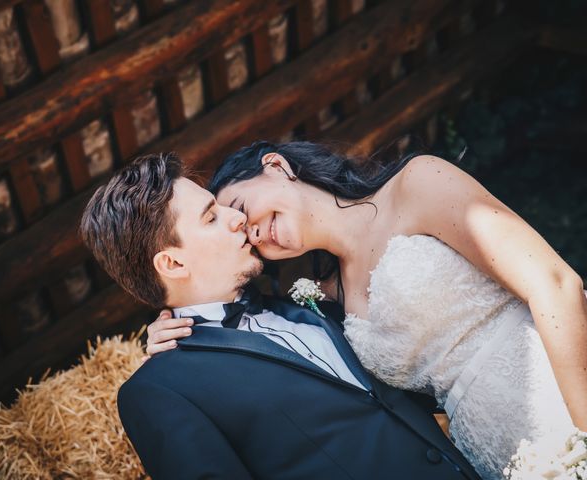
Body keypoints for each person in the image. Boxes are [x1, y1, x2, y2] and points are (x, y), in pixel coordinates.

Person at [147, 141, 587, 479]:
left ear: (277, 167)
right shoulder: (320, 303)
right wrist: (174, 333)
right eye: (246, 234)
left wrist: (582, 435)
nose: (256, 233)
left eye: (243, 211)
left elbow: (553, 284)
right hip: (498, 456)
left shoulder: (417, 183)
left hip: (561, 388)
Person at [79, 152, 480, 480]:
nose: (237, 218)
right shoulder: (160, 389)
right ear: (172, 262)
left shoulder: (307, 301)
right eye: (211, 217)